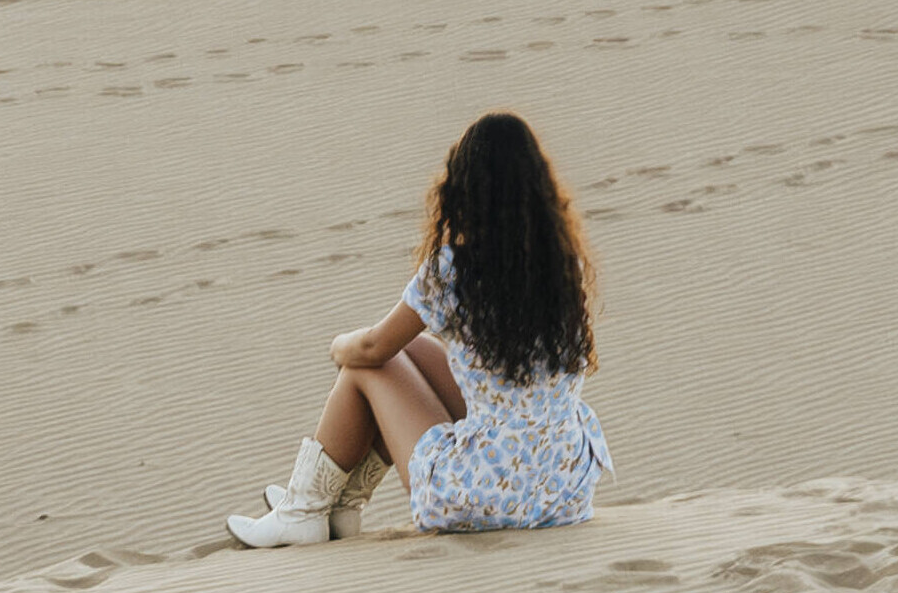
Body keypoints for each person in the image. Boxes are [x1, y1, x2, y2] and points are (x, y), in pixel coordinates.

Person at [226, 112, 610, 547]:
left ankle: (304, 510)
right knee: (417, 350)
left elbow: (373, 348)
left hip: (483, 495)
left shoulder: (455, 269)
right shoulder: (565, 265)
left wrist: (339, 345)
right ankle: (339, 505)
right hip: (563, 490)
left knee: (364, 368)